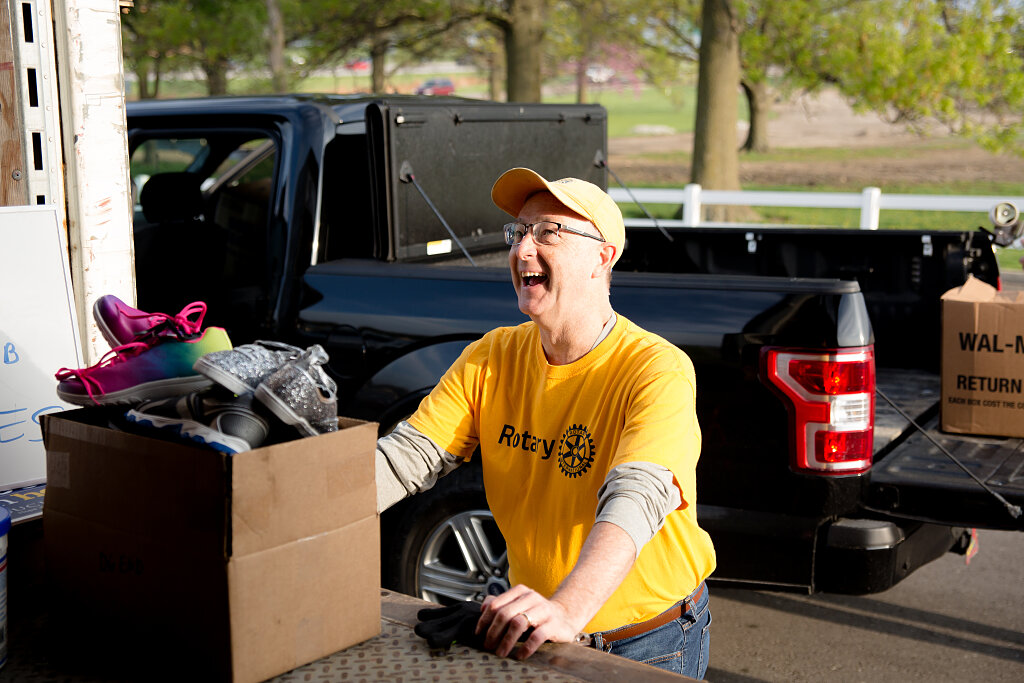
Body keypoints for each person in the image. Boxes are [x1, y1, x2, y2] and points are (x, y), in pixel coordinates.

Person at [375, 167, 716, 678]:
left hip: (648, 638)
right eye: (518, 232)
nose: (522, 249)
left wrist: (567, 610)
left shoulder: (655, 368)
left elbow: (637, 496)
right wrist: (302, 520)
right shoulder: (491, 357)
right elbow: (407, 459)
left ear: (604, 256)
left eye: (548, 232)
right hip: (541, 632)